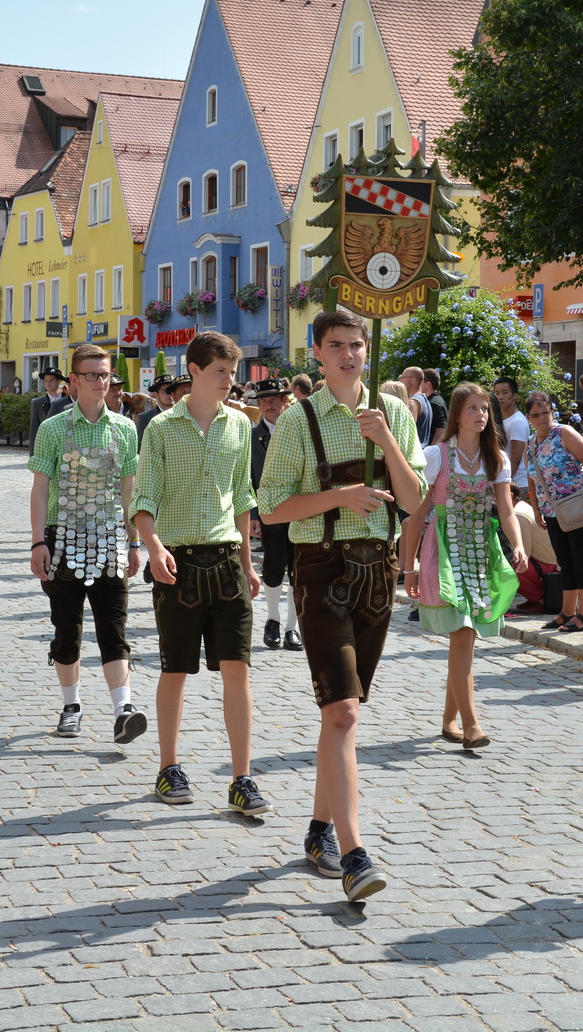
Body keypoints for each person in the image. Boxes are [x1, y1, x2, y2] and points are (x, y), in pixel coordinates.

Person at [258, 308, 425, 902]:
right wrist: (339, 495)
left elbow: (412, 501)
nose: (350, 354)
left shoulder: (394, 413)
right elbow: (271, 508)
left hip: (377, 573)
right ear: (318, 353)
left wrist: (387, 443)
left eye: (357, 344)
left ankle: (319, 829)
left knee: (343, 713)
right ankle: (355, 855)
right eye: (337, 346)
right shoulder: (299, 421)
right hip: (321, 571)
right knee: (344, 712)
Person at [131, 332, 266, 817]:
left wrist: (249, 563)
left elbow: (243, 500)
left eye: (233, 373)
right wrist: (153, 547)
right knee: (175, 669)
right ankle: (169, 766)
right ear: (194, 371)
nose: (230, 382)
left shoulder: (240, 427)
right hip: (179, 561)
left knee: (238, 670)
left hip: (228, 560)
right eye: (220, 373)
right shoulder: (162, 429)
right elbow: (143, 500)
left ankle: (242, 778)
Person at [30, 345, 145, 744]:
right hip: (63, 539)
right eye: (93, 375)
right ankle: (71, 705)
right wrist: (37, 542)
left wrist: (134, 542)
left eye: (106, 375)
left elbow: (129, 489)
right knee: (67, 629)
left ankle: (122, 709)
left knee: (114, 628)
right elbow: (40, 488)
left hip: (111, 538)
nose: (101, 382)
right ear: (74, 381)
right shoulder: (53, 428)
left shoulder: (125, 429)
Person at [404, 383, 527, 749]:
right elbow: (418, 513)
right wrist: (408, 566)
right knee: (463, 632)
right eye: (473, 408)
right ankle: (472, 725)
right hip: (443, 550)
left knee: (466, 637)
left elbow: (505, 510)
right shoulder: (436, 456)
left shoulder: (496, 459)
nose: (481, 415)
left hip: (480, 551)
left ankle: (448, 720)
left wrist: (518, 544)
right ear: (457, 413)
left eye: (485, 409)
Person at [526, 389, 583, 633]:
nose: (542, 418)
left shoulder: (564, 433)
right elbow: (532, 478)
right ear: (529, 418)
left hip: (575, 506)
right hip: (552, 510)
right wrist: (535, 508)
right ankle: (567, 611)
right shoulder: (531, 443)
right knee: (564, 561)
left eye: (546, 412)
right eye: (536, 415)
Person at [248, 378, 300, 653]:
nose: (270, 404)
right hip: (269, 512)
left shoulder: (298, 431)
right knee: (273, 566)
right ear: (258, 404)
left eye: (275, 399)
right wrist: (253, 514)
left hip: (301, 509)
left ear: (285, 401)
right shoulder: (252, 436)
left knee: (298, 569)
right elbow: (248, 478)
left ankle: (292, 626)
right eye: (264, 400)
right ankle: (272, 620)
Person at [493, 377, 531, 491]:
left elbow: (515, 460)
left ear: (514, 395)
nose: (500, 397)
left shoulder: (517, 422)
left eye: (505, 393)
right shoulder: (505, 419)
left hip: (517, 484)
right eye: (497, 393)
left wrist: (504, 484)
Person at [28, 369, 71, 447]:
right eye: (46, 381)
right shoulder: (37, 403)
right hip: (46, 444)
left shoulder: (69, 401)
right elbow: (34, 429)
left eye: (51, 380)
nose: (48, 383)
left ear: (59, 381)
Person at [399, 366, 432, 445]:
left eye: (403, 377)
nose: (400, 380)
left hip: (414, 452)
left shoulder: (412, 402)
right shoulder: (425, 400)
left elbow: (406, 432)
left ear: (413, 380)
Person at [421, 369, 447, 436]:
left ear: (428, 384)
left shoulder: (434, 403)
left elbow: (441, 430)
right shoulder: (436, 399)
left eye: (420, 381)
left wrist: (432, 446)